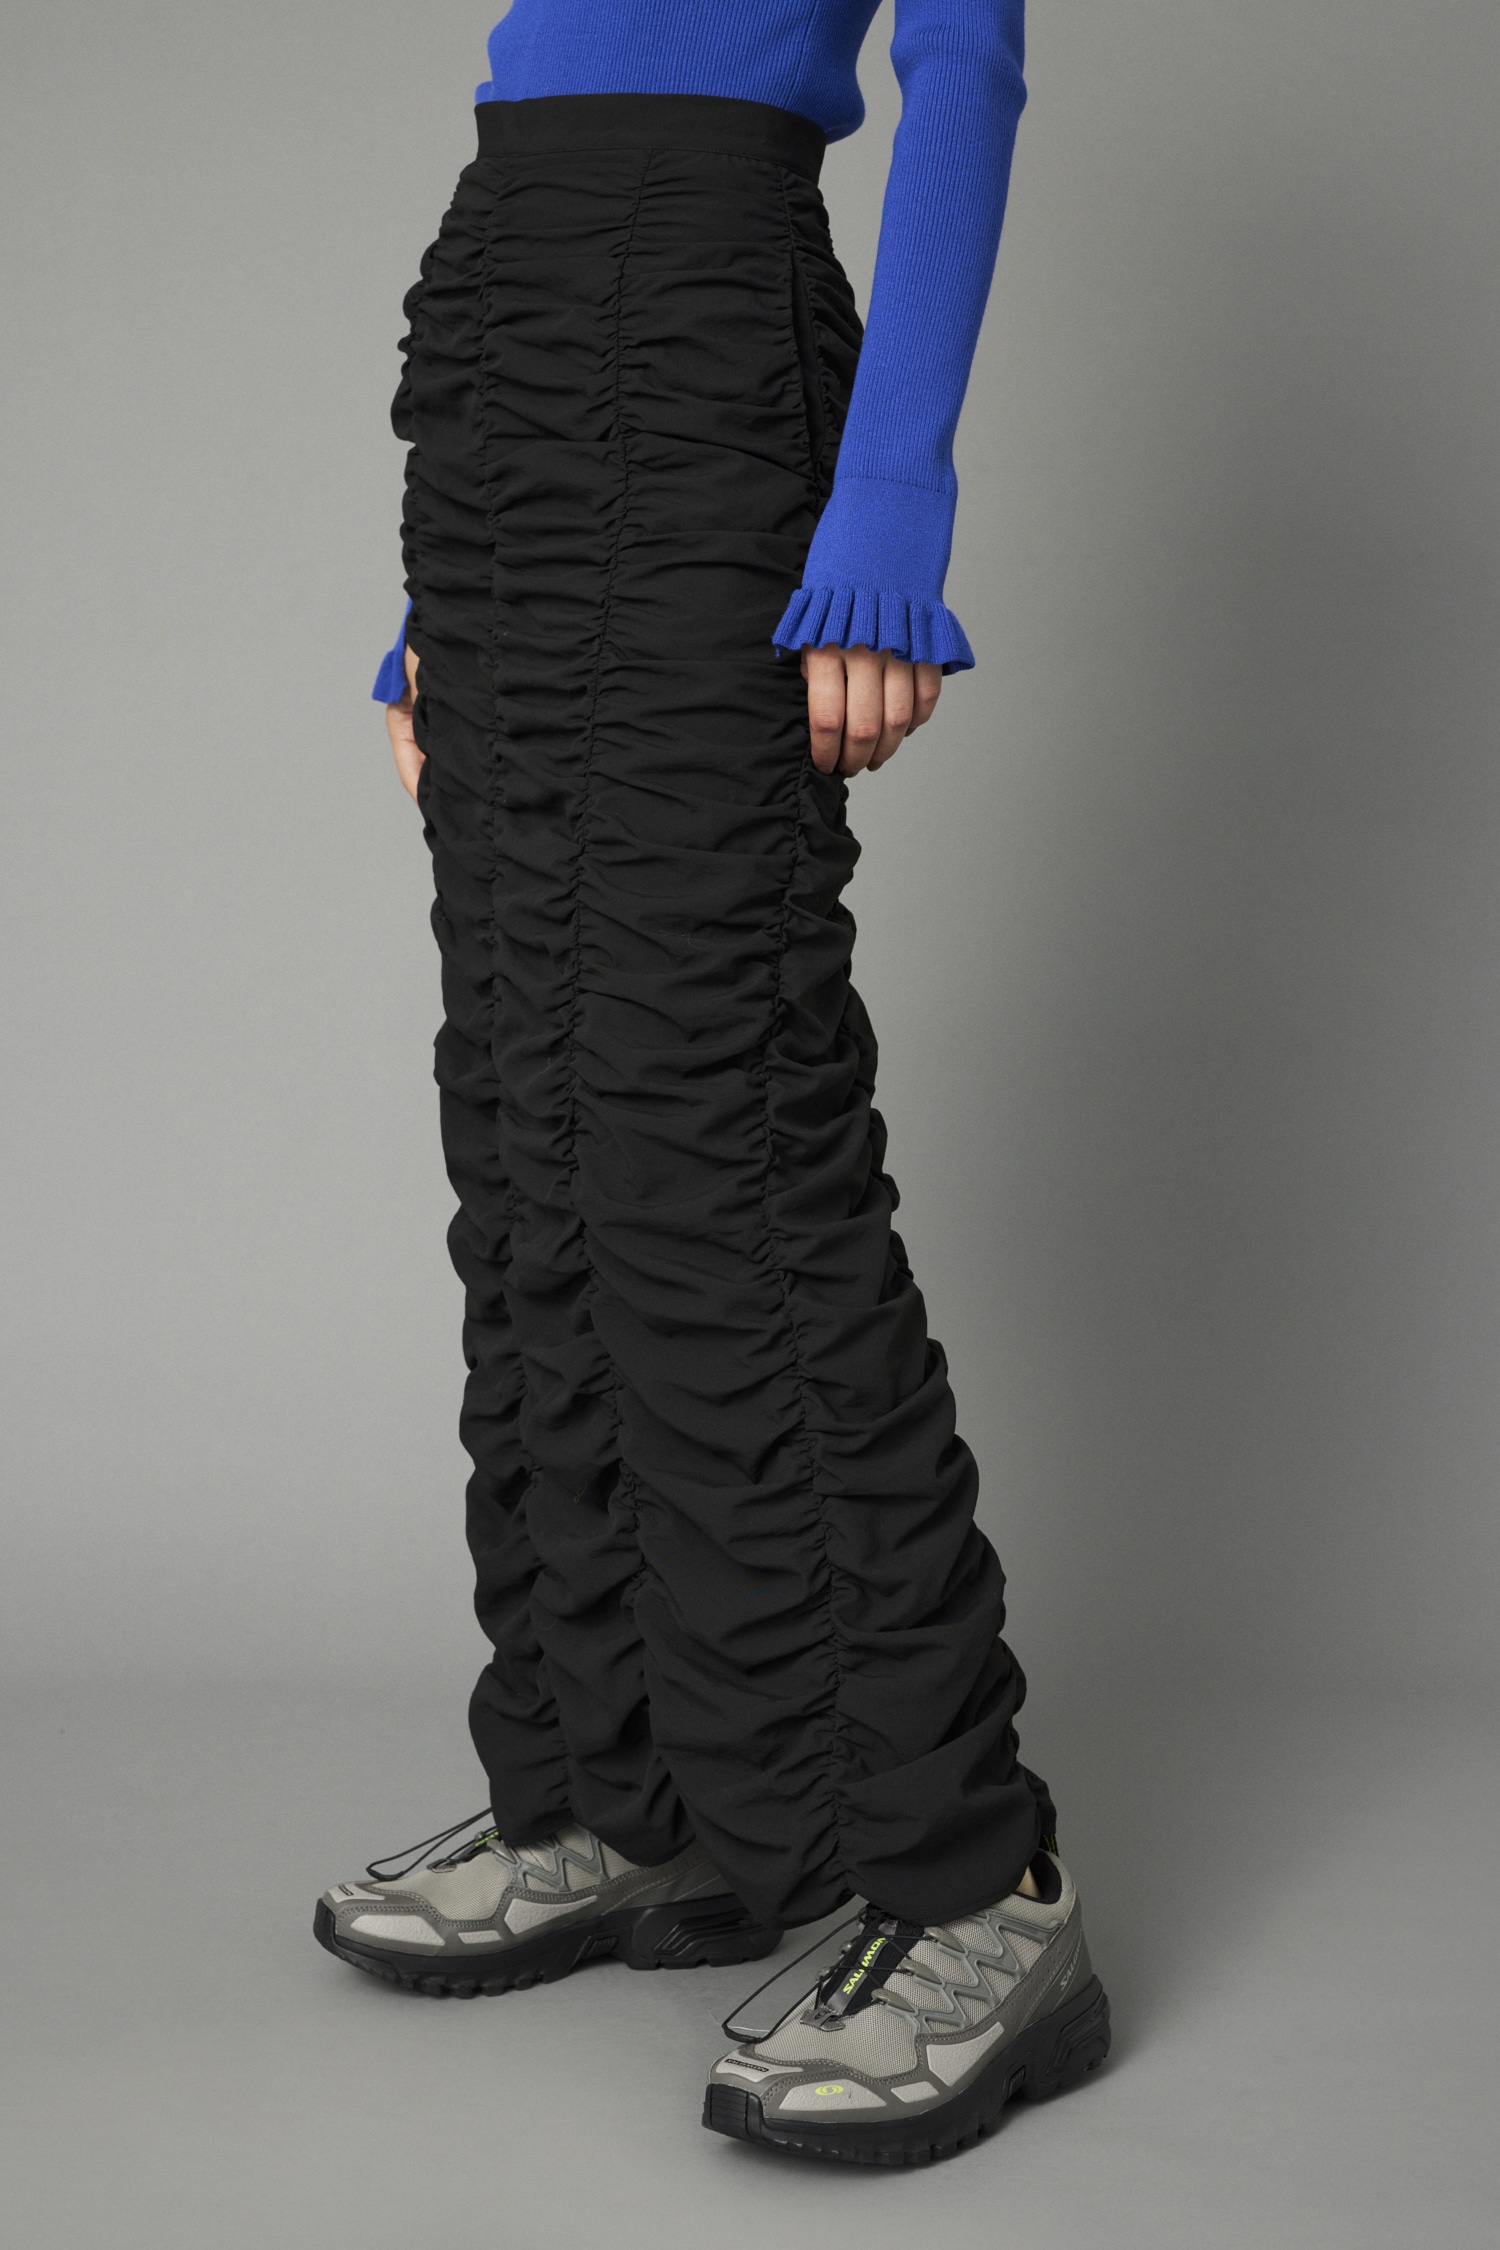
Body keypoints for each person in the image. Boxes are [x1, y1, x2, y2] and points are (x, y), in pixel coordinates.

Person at [315, 0, 1110, 2164]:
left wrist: (894, 500)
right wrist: (447, 591)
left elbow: (968, 69)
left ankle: (978, 1883)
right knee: (533, 1114)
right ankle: (624, 1794)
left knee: (709, 1131)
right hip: (507, 339)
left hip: (699, 344)